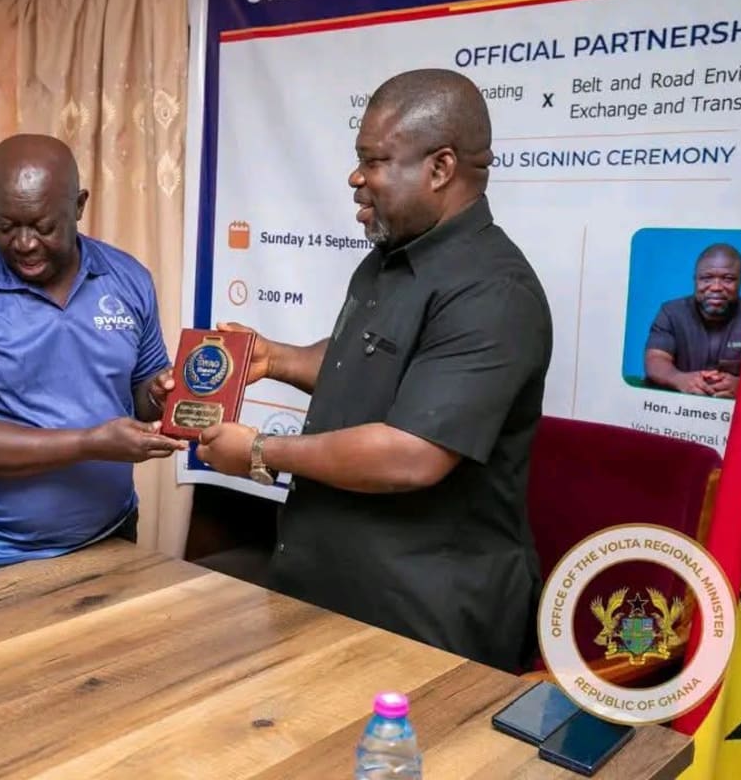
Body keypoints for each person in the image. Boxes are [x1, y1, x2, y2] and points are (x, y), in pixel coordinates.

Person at [195, 69, 553, 673]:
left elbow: (412, 455)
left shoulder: (495, 292)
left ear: (440, 168)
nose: (357, 179)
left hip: (419, 617)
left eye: (375, 161)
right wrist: (276, 358)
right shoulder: (389, 258)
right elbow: (361, 364)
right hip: (322, 585)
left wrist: (260, 450)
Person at [0, 134, 185, 578]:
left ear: (78, 206)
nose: (23, 243)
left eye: (42, 226)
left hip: (112, 535)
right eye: (5, 226)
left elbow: (141, 395)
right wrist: (89, 442)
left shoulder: (128, 279)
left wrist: (157, 395)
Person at [644, 243, 741, 399]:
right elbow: (655, 359)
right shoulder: (671, 313)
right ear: (695, 280)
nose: (716, 287)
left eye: (728, 279)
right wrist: (679, 379)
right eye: (706, 278)